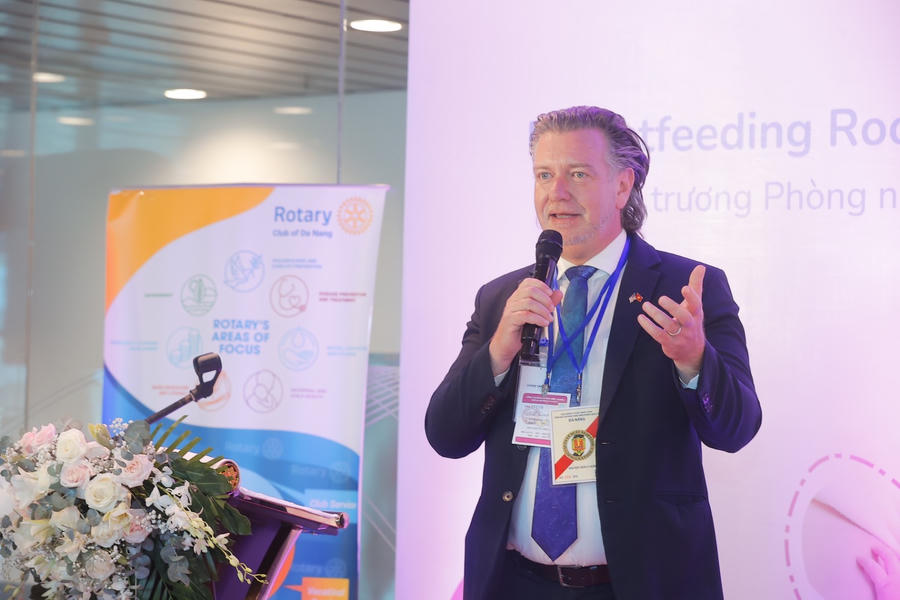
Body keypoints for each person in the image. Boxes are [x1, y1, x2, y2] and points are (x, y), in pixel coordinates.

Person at [425, 106, 762, 600]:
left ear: (623, 186)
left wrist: (695, 360)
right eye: (544, 174)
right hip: (513, 583)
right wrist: (498, 351)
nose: (556, 192)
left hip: (639, 585)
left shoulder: (686, 289)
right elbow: (445, 435)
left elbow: (737, 429)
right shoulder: (502, 298)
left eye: (578, 174)